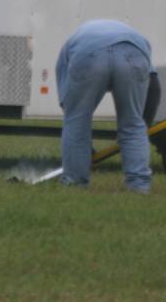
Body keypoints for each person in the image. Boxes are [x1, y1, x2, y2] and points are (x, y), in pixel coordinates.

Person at [55, 19, 159, 193]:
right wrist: (143, 125)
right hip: (134, 52)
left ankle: (74, 183)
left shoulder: (67, 52)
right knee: (133, 124)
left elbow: (68, 106)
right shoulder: (137, 41)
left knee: (76, 123)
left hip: (88, 53)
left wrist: (83, 148)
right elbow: (155, 87)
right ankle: (139, 186)